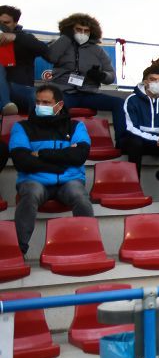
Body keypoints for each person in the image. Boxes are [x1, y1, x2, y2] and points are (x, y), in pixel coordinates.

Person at [9, 84, 93, 254]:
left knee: (80, 196)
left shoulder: (76, 126)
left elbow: (79, 155)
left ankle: (87, 247)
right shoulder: (21, 127)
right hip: (35, 180)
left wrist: (40, 153)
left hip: (68, 181)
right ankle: (19, 250)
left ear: (59, 105)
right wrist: (61, 160)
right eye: (38, 102)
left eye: (46, 103)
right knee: (30, 194)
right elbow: (21, 160)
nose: (41, 106)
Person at [44, 12, 126, 142]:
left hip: (89, 93)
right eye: (78, 29)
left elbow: (111, 76)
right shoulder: (60, 43)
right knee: (55, 106)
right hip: (64, 93)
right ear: (71, 29)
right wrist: (66, 37)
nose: (82, 33)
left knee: (119, 103)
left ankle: (122, 141)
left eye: (86, 31)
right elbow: (51, 56)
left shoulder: (98, 51)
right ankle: (58, 142)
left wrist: (101, 75)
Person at [122, 66, 159, 177]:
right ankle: (134, 186)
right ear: (145, 82)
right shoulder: (132, 100)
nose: (157, 83)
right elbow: (131, 128)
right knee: (134, 142)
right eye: (153, 79)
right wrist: (156, 139)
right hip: (139, 141)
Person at [0, 5, 48, 113]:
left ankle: (6, 104)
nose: (2, 26)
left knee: (37, 97)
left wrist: (16, 37)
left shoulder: (24, 38)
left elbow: (44, 49)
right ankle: (5, 105)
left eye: (6, 23)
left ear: (15, 23)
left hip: (19, 87)